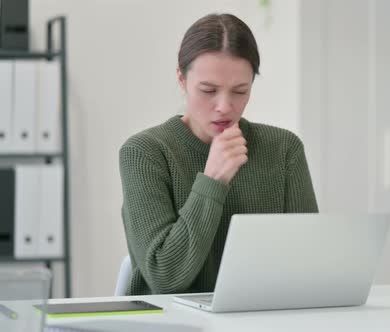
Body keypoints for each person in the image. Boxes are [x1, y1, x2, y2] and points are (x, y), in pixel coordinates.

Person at [119, 13, 318, 296]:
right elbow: (164, 277)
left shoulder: (284, 149)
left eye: (240, 91)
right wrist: (213, 179)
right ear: (181, 78)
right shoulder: (144, 153)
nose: (224, 106)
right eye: (209, 90)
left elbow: (310, 265)